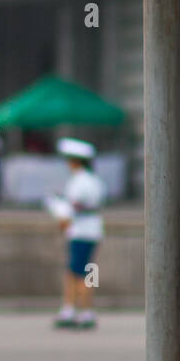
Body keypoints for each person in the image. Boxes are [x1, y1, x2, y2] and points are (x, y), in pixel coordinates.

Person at [50, 137, 106, 331]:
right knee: (87, 270)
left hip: (81, 230)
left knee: (78, 271)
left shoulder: (80, 181)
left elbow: (72, 207)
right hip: (91, 230)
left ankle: (82, 309)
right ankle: (78, 308)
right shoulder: (93, 180)